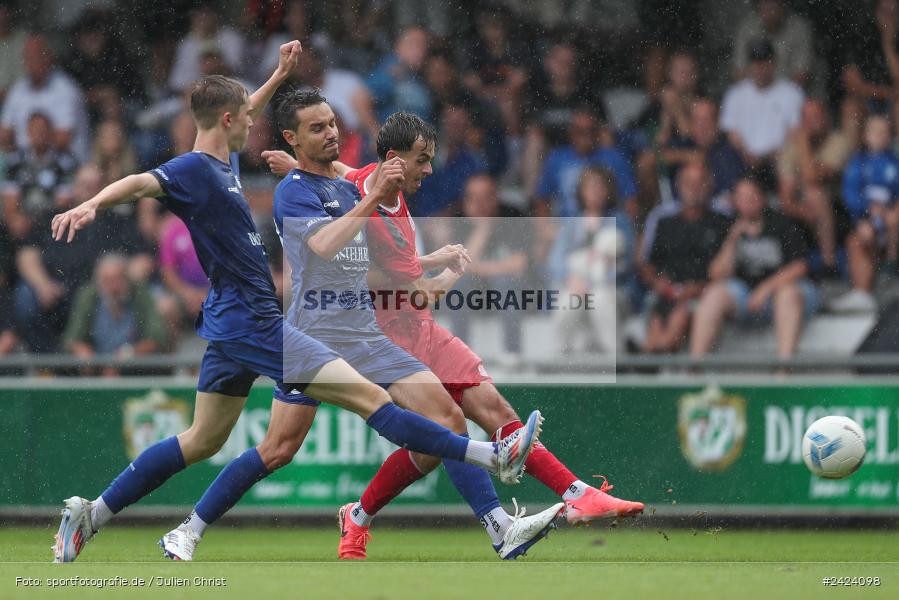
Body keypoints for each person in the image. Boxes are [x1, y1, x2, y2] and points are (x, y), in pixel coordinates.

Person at [51, 44, 539, 564]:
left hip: (243, 322)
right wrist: (91, 202)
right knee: (369, 407)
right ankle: (494, 456)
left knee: (203, 440)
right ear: (229, 120)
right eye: (318, 126)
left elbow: (251, 116)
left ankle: (100, 513)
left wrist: (281, 75)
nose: (253, 127)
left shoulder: (225, 161)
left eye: (332, 124)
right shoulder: (198, 169)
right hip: (263, 324)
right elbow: (142, 182)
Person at [268, 111, 643, 559]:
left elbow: (342, 171)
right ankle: (523, 513)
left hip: (423, 330)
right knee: (446, 433)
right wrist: (450, 270)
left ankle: (572, 493)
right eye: (422, 160)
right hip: (392, 337)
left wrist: (294, 166)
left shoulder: (368, 178)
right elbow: (418, 291)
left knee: (481, 418)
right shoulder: (377, 225)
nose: (429, 170)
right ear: (395, 160)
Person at [690, 177, 818, 361]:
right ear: (734, 201)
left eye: (752, 196)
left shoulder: (781, 223)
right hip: (745, 294)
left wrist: (765, 289)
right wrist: (732, 239)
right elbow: (716, 275)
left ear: (762, 198)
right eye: (741, 197)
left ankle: (785, 371)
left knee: (787, 293)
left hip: (785, 292)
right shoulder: (727, 226)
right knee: (713, 294)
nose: (747, 202)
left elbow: (800, 267)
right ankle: (694, 369)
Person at [641, 162, 731, 354]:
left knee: (681, 313)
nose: (693, 187)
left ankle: (653, 354)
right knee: (659, 314)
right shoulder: (663, 220)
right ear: (678, 186)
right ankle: (654, 351)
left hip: (703, 292)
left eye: (700, 182)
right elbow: (646, 263)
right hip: (667, 292)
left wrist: (697, 289)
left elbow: (728, 268)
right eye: (688, 182)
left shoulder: (724, 221)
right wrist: (659, 283)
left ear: (710, 185)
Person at [830, 115, 899, 312]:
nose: (879, 136)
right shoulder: (857, 162)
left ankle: (890, 267)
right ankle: (862, 293)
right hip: (865, 220)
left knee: (895, 218)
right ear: (865, 136)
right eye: (874, 131)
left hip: (891, 221)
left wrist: (892, 209)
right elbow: (850, 195)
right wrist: (868, 211)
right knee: (858, 240)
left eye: (884, 132)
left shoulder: (895, 163)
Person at [777, 99, 853, 276]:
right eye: (807, 117)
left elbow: (813, 178)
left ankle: (829, 263)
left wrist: (803, 143)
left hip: (839, 209)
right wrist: (801, 211)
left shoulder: (839, 142)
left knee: (815, 193)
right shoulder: (790, 148)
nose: (812, 121)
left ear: (826, 118)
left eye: (816, 116)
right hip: (804, 210)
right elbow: (785, 196)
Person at [720, 39, 804, 190]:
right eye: (756, 62)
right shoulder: (735, 94)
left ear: (774, 62)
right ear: (750, 64)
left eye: (765, 61)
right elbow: (731, 133)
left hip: (779, 160)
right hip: (744, 160)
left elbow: (795, 132)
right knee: (724, 154)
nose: (761, 67)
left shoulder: (792, 93)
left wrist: (774, 154)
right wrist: (746, 153)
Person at [62, 253, 168, 372]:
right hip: (96, 368)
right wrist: (83, 351)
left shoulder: (140, 294)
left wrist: (129, 354)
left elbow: (157, 338)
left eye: (118, 280)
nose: (113, 288)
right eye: (107, 281)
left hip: (133, 368)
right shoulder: (88, 296)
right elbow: (72, 338)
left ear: (127, 280)